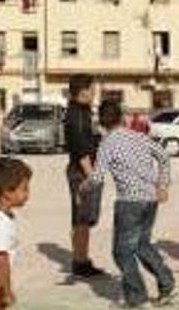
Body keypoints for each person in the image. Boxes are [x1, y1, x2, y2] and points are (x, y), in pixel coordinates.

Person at [82, 100, 178, 308]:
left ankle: (138, 299)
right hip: (150, 198)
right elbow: (163, 155)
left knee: (122, 251)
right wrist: (163, 184)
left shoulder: (107, 143)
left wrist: (83, 187)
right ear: (122, 117)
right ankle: (167, 284)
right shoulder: (138, 136)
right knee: (142, 245)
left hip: (129, 202)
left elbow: (97, 177)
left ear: (101, 123)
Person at [63, 74, 107, 278]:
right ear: (83, 90)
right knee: (82, 219)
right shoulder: (76, 114)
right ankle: (80, 263)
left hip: (84, 170)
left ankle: (82, 259)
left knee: (84, 220)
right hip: (81, 172)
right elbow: (80, 147)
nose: (95, 92)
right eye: (93, 89)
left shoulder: (82, 111)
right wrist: (92, 175)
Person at [0, 157, 33, 308]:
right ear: (7, 192)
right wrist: (6, 292)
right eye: (25, 188)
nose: (28, 193)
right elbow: (1, 262)